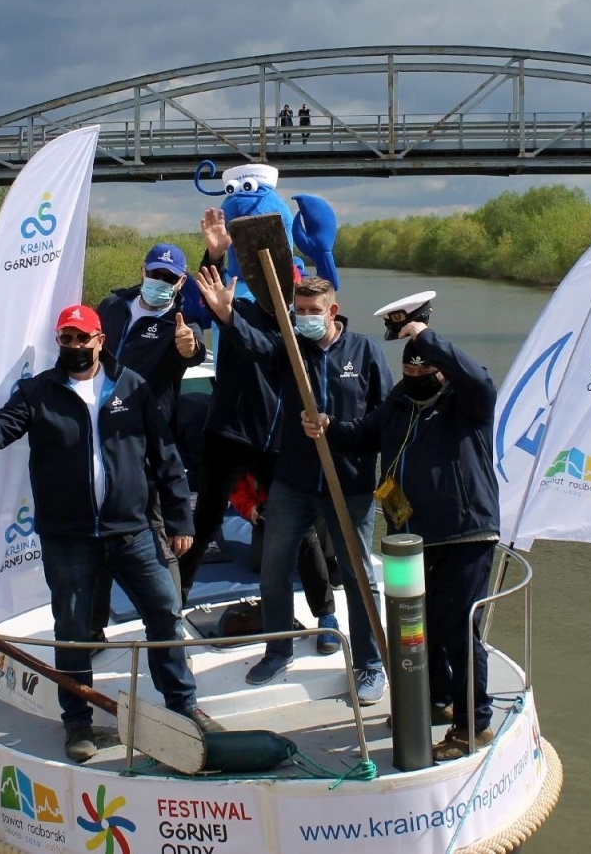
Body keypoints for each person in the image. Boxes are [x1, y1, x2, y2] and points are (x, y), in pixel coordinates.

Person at [0, 304, 221, 763]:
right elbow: (3, 426)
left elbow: (165, 456)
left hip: (131, 531)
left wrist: (180, 521)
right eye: (67, 338)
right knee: (73, 630)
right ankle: (77, 721)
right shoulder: (38, 391)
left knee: (164, 612)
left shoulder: (131, 387)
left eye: (82, 338)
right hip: (68, 538)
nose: (75, 346)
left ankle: (183, 704)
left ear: (100, 340)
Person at [303, 319, 500, 761]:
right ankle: (435, 699)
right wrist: (326, 426)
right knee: (415, 628)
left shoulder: (467, 402)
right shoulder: (398, 404)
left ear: (442, 371)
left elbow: (481, 380)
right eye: (408, 372)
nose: (414, 378)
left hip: (464, 534)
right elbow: (360, 436)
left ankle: (473, 724)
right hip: (406, 539)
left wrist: (426, 336)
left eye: (423, 371)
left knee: (457, 630)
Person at [195, 267, 392, 704]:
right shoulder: (291, 350)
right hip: (294, 482)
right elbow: (255, 346)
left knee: (359, 577)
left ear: (333, 311)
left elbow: (385, 419)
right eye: (298, 310)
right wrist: (227, 316)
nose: (304, 318)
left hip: (349, 484)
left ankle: (369, 663)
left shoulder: (365, 352)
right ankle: (278, 650)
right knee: (274, 568)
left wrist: (337, 429)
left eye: (312, 310)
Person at [177, 209, 343, 654]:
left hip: (280, 442)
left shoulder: (301, 329)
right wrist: (214, 255)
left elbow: (271, 351)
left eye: (289, 285)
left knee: (301, 527)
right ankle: (174, 605)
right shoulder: (241, 309)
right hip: (230, 435)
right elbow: (203, 302)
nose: (280, 290)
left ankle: (325, 612)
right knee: (204, 522)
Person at [85, 244, 208, 642]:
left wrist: (191, 347)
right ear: (143, 270)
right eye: (155, 274)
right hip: (97, 434)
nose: (160, 282)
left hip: (142, 442)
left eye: (169, 278)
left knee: (156, 534)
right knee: (96, 532)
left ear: (181, 282)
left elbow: (193, 350)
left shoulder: (180, 324)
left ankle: (171, 626)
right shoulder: (112, 306)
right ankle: (92, 629)